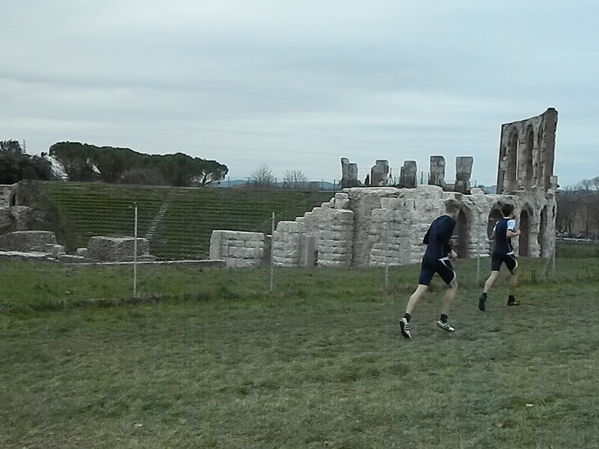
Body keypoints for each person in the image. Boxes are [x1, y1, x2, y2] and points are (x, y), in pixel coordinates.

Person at [399, 199, 461, 339]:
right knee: (453, 285)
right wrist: (450, 251)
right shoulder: (450, 222)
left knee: (421, 288)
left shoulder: (436, 221)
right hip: (439, 258)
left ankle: (406, 318)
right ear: (455, 210)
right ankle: (443, 319)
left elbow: (426, 239)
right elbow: (442, 237)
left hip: (427, 257)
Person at [478, 203, 521, 311]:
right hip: (506, 251)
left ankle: (484, 294)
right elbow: (508, 234)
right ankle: (511, 299)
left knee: (493, 275)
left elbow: (492, 236)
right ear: (512, 212)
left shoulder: (498, 222)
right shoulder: (511, 221)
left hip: (496, 251)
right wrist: (517, 233)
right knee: (514, 273)